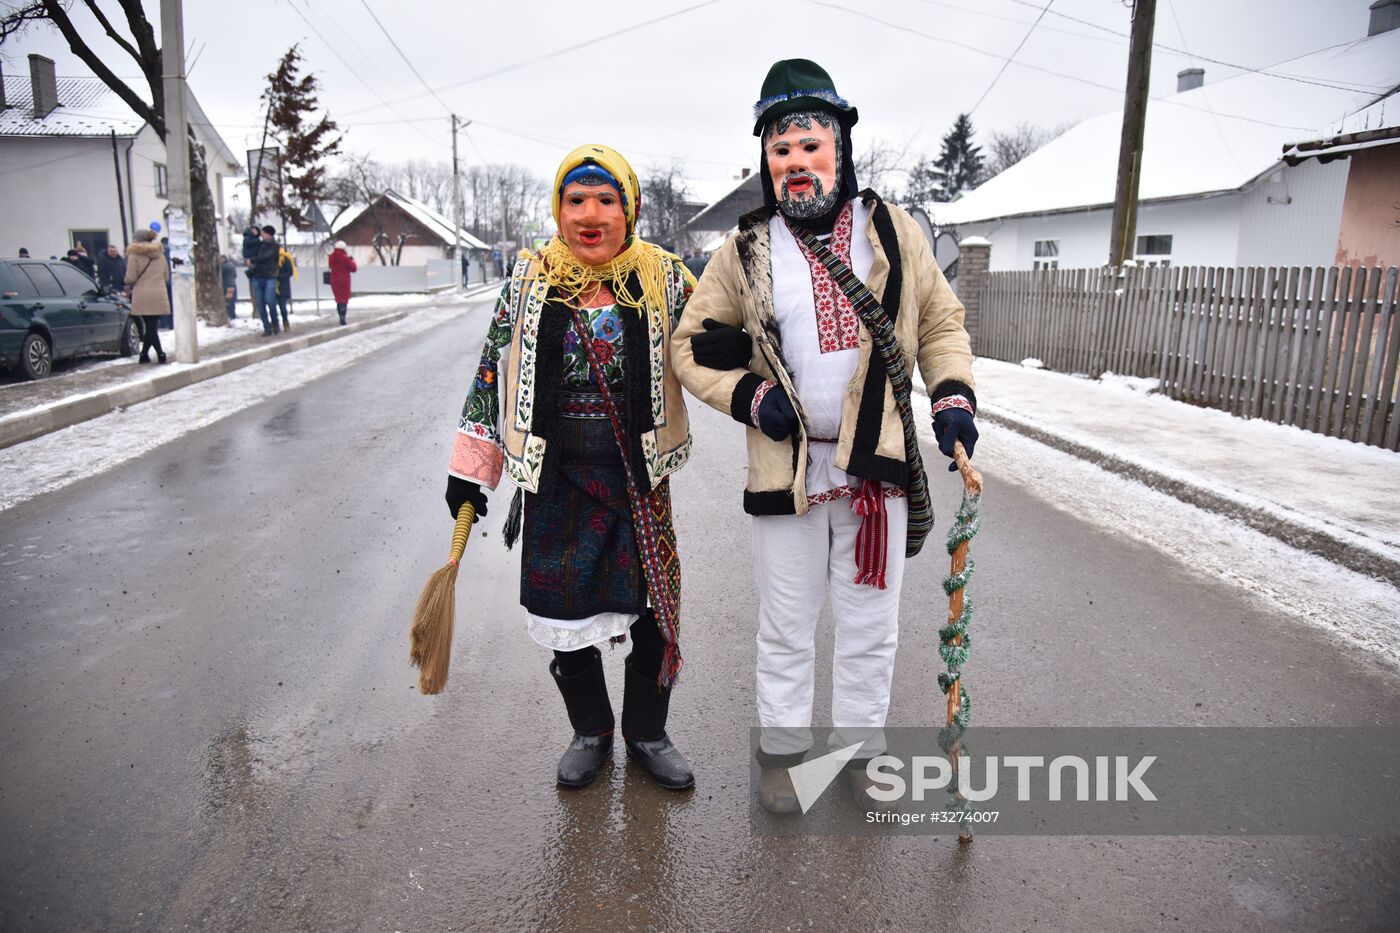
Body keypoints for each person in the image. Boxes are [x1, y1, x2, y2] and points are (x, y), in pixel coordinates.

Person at [670, 60, 979, 813]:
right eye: (782, 150)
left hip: (876, 471)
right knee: (786, 624)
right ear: (766, 163)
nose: (797, 163)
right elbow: (691, 344)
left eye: (811, 144)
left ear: (840, 147)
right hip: (789, 473)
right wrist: (750, 397)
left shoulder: (895, 231)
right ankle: (782, 757)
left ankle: (860, 752)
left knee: (870, 626)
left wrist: (953, 397)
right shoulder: (742, 250)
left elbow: (940, 322)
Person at [444, 144, 698, 792]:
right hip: (555, 485)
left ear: (630, 208)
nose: (590, 214)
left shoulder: (664, 278)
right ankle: (592, 731)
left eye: (606, 200)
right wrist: (473, 467)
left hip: (636, 483)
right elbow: (489, 371)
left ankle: (647, 733)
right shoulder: (528, 282)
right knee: (562, 619)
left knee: (653, 617)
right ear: (558, 209)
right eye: (575, 199)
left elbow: (715, 338)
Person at [124, 229, 169, 364]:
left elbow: (131, 277)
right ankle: (144, 355)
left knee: (150, 326)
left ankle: (160, 354)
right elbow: (166, 276)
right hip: (159, 293)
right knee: (152, 326)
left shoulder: (134, 255)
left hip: (143, 294)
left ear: (137, 239)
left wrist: (125, 281)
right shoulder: (160, 254)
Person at [248, 225, 281, 335]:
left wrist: (253, 260)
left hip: (269, 276)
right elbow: (247, 247)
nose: (261, 234)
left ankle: (275, 324)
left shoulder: (275, 246)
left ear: (269, 234)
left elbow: (267, 257)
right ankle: (267, 328)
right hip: (257, 276)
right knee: (260, 304)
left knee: (270, 301)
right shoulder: (259, 245)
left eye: (263, 233)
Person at [328, 240, 357, 325]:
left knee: (338, 299)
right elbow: (353, 268)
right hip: (344, 280)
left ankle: (340, 315)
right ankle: (343, 316)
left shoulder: (331, 257)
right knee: (344, 299)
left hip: (334, 280)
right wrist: (352, 261)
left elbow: (330, 266)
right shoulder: (345, 257)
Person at [275, 242, 297, 331]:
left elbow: (290, 271)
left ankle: (285, 322)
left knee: (282, 306)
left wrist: (280, 276)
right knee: (272, 305)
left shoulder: (285, 258)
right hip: (274, 284)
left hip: (283, 285)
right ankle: (275, 324)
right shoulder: (272, 258)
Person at [220, 254, 238, 320]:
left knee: (228, 301)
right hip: (233, 285)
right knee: (232, 301)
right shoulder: (232, 265)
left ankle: (231, 316)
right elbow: (235, 275)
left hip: (227, 286)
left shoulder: (223, 267)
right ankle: (232, 315)